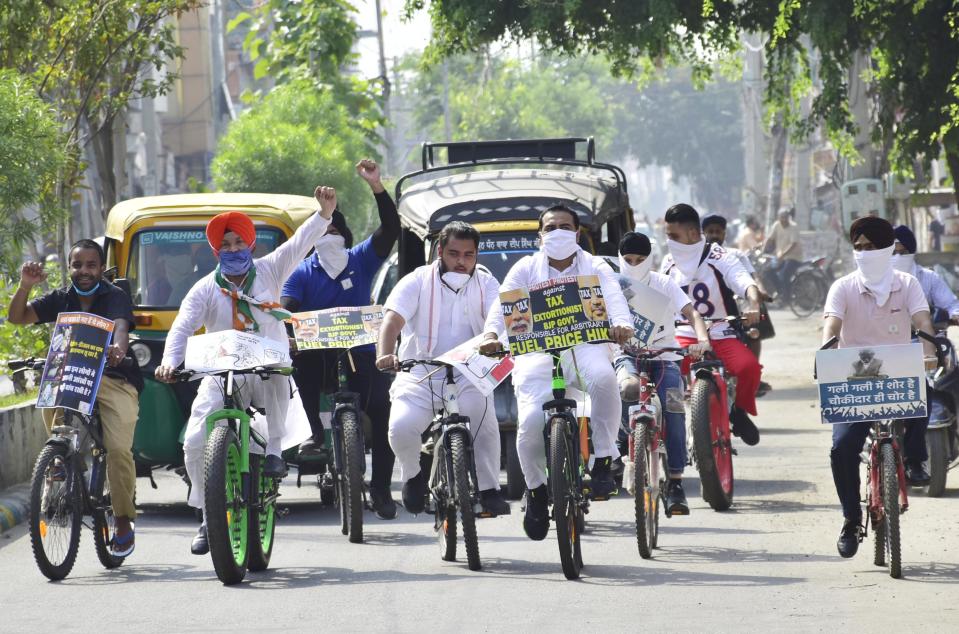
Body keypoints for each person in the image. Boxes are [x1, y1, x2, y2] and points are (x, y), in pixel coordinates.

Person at [155, 186, 336, 555]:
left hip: (265, 372)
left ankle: (273, 452)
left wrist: (325, 214)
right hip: (222, 375)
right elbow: (182, 327)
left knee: (276, 373)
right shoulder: (204, 289)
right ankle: (207, 518)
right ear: (216, 251)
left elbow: (300, 243)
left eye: (240, 242)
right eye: (227, 244)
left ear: (251, 246)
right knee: (193, 442)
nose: (234, 249)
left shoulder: (271, 269)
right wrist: (170, 362)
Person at [480, 204, 634, 541]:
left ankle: (604, 460)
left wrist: (621, 323)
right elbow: (502, 305)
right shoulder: (524, 268)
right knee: (531, 424)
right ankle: (535, 492)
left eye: (565, 226)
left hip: (585, 345)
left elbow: (612, 296)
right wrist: (492, 335)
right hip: (536, 352)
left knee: (605, 379)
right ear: (540, 236)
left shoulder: (595, 266)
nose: (558, 232)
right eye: (551, 227)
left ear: (577, 233)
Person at [8, 240, 143, 558]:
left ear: (100, 268)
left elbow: (121, 328)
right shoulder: (61, 298)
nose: (84, 271)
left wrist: (117, 350)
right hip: (72, 376)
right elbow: (18, 317)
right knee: (50, 386)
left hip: (114, 379)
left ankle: (123, 521)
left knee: (118, 450)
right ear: (69, 268)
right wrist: (25, 285)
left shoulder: (115, 297)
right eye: (77, 265)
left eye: (91, 265)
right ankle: (62, 457)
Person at [281, 159, 399, 520]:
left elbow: (390, 229)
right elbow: (286, 307)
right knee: (297, 362)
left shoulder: (360, 260)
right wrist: (289, 330)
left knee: (383, 411)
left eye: (333, 232)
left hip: (361, 353)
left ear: (344, 237)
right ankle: (314, 433)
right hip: (318, 358)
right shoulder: (300, 272)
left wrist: (377, 186)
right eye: (321, 233)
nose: (328, 238)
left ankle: (380, 489)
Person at [375, 221, 510, 518]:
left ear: (476, 256)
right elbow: (392, 320)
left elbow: (498, 315)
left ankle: (489, 490)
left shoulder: (487, 283)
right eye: (454, 254)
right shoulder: (417, 280)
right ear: (440, 252)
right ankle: (412, 475)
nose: (461, 262)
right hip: (419, 373)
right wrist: (385, 353)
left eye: (468, 255)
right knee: (400, 428)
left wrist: (490, 338)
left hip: (468, 372)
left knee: (485, 421)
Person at [821, 216, 937, 558]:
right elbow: (831, 325)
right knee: (841, 448)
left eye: (871, 248)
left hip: (897, 376)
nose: (863, 253)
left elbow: (922, 321)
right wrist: (825, 349)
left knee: (925, 394)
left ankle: (916, 461)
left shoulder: (908, 284)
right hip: (853, 381)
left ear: (888, 249)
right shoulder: (842, 287)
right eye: (858, 248)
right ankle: (851, 518)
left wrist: (929, 352)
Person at [613, 232, 711, 515]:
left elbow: (692, 314)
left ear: (650, 259)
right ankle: (622, 441)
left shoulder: (665, 284)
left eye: (640, 259)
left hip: (665, 356)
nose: (634, 264)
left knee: (674, 408)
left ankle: (677, 483)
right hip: (627, 356)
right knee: (627, 389)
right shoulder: (611, 286)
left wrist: (701, 340)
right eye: (628, 260)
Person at [661, 203, 764, 445]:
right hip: (684, 334)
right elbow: (656, 294)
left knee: (748, 368)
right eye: (667, 236)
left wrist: (753, 305)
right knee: (666, 374)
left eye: (674, 236)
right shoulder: (667, 262)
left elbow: (744, 281)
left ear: (693, 234)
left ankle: (738, 411)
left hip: (721, 331)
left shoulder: (718, 255)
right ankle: (668, 422)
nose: (670, 242)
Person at [702, 213, 773, 396]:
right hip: (708, 308)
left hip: (737, 303)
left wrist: (759, 292)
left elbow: (752, 277)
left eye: (718, 231)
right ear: (703, 233)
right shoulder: (697, 258)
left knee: (753, 332)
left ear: (725, 234)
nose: (714, 235)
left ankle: (753, 376)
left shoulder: (735, 255)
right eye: (710, 231)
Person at [892, 225, 959, 325]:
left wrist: (955, 314)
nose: (898, 257)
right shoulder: (878, 280)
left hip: (923, 333)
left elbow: (951, 304)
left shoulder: (928, 278)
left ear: (912, 252)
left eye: (903, 252)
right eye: (892, 253)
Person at [764, 208, 804, 297]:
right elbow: (770, 239)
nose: (783, 220)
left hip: (793, 257)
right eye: (781, 218)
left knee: (784, 274)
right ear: (779, 218)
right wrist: (763, 249)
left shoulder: (794, 227)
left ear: (788, 218)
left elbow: (793, 244)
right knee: (768, 271)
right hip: (780, 257)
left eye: (785, 217)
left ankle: (787, 296)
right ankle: (780, 291)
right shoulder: (776, 225)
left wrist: (783, 254)